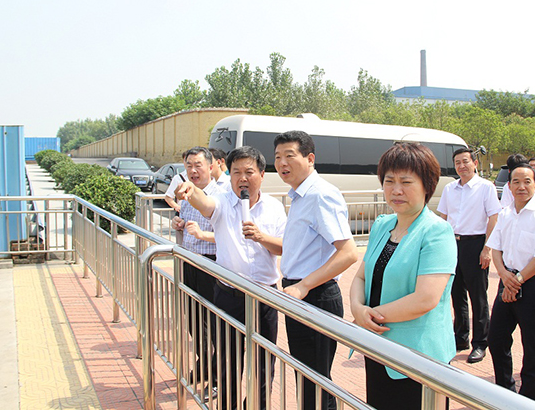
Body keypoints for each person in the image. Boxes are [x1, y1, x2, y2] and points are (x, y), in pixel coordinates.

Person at [177, 146, 287, 410]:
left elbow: (285, 247)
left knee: (263, 363)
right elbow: (205, 203)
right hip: (229, 295)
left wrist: (261, 237)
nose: (242, 178)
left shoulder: (274, 207)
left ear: (262, 174)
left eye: (249, 172)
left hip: (264, 296)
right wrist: (191, 191)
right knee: (228, 361)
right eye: (236, 172)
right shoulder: (223, 202)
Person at [350, 143, 457, 410]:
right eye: (389, 181)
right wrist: (357, 309)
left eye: (406, 182)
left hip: (418, 356)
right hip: (378, 345)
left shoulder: (437, 231)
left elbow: (425, 299)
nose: (396, 190)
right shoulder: (382, 225)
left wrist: (369, 316)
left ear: (427, 185)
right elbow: (361, 277)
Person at [274, 130, 359, 410]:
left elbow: (348, 252)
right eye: (277, 157)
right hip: (301, 293)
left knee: (316, 383)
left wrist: (304, 285)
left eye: (290, 156)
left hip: (315, 295)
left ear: (310, 158)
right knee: (308, 378)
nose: (282, 163)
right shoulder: (300, 195)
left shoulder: (320, 195)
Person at [486, 164, 535, 402]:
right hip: (507, 280)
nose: (521, 186)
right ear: (509, 186)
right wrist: (503, 275)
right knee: (496, 339)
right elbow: (496, 248)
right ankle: (505, 392)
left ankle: (530, 400)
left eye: (527, 181)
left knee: (533, 346)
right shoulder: (506, 213)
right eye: (516, 181)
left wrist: (516, 281)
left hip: (532, 283)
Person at [437, 148, 500, 364]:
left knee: (478, 297)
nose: (462, 166)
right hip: (453, 244)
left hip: (476, 244)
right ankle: (460, 337)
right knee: (456, 294)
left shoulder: (486, 187)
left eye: (465, 161)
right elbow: (443, 217)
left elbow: (493, 218)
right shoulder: (449, 189)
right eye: (457, 162)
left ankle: (480, 343)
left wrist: (487, 249)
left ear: (474, 163)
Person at [170, 147, 225, 388]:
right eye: (189, 166)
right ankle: (205, 364)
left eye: (198, 165)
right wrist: (179, 223)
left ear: (211, 167)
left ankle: (217, 373)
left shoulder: (221, 196)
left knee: (214, 322)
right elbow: (188, 225)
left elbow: (229, 235)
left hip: (211, 263)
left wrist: (203, 235)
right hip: (190, 261)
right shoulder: (187, 194)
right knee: (193, 318)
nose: (193, 170)